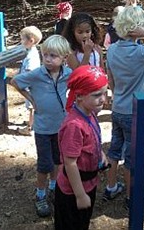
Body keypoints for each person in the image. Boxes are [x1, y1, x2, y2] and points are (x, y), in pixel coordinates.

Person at [10, 35, 72, 217]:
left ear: (63, 58)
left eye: (53, 56)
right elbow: (15, 82)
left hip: (61, 127)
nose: (47, 59)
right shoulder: (37, 74)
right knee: (44, 165)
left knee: (58, 160)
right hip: (43, 129)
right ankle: (40, 195)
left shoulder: (67, 74)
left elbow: (78, 84)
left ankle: (54, 188)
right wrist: (31, 99)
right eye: (45, 54)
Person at [105, 5, 144, 208]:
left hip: (118, 107)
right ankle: (131, 196)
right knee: (133, 157)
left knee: (115, 150)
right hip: (136, 112)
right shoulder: (143, 52)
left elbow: (111, 80)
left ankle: (110, 186)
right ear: (138, 28)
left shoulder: (111, 51)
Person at [54, 65, 110, 230]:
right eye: (97, 95)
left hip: (88, 184)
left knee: (82, 223)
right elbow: (70, 163)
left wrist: (101, 154)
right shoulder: (74, 126)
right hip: (72, 191)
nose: (103, 99)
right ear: (79, 96)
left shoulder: (90, 113)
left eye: (105, 93)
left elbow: (93, 138)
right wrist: (79, 195)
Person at [17, 26, 42, 136]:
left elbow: (30, 70)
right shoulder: (30, 51)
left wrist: (22, 81)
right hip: (32, 85)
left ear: (31, 41)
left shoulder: (31, 55)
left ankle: (30, 128)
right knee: (32, 105)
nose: (21, 41)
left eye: (22, 39)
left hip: (31, 86)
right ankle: (32, 123)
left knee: (31, 106)